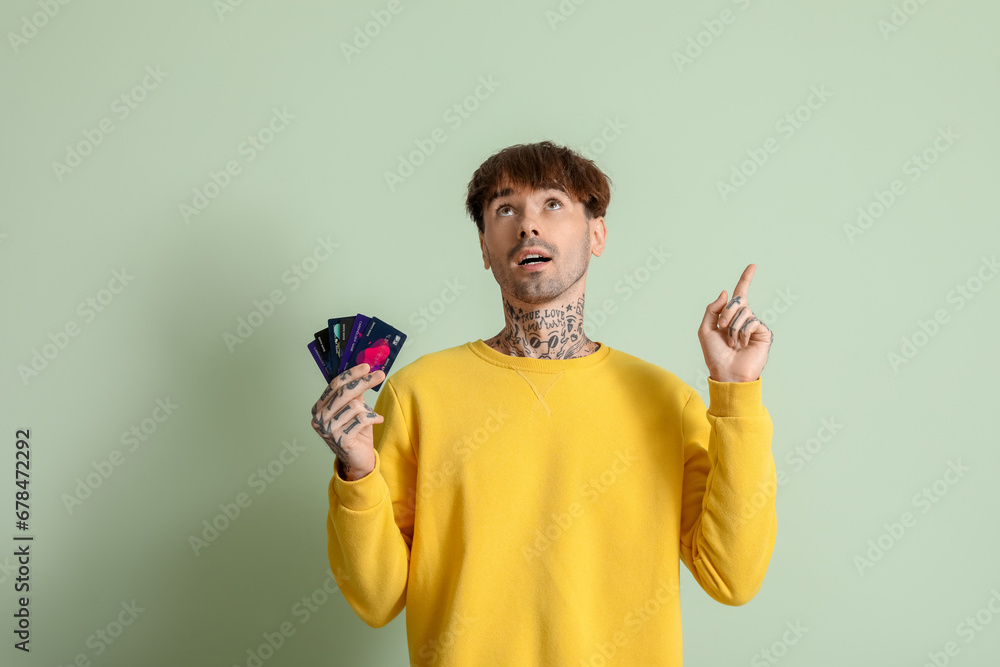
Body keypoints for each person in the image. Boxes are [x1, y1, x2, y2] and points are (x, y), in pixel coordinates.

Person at [311, 140, 777, 666]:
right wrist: (357, 474)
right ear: (484, 248)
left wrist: (737, 395)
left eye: (552, 204)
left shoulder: (668, 402)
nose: (528, 225)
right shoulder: (417, 393)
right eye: (505, 210)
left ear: (597, 234)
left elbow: (732, 577)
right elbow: (377, 600)